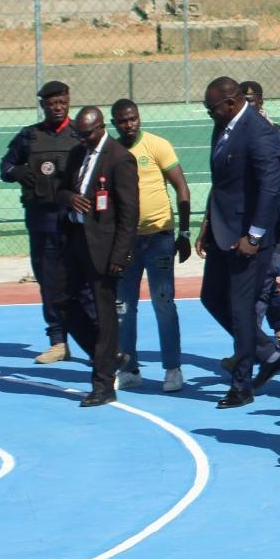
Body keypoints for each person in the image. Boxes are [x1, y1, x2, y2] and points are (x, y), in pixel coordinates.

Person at [197, 76, 280, 409]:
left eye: (212, 108)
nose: (209, 114)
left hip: (248, 240)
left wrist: (254, 235)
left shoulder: (259, 132)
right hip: (222, 232)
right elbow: (220, 184)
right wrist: (207, 225)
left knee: (241, 311)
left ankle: (242, 386)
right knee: (211, 297)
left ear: (232, 101)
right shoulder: (223, 125)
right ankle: (267, 353)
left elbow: (269, 188)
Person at [57, 106, 139, 407]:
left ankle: (103, 384)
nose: (83, 139)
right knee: (62, 302)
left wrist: (121, 253)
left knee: (106, 317)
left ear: (101, 128)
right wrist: (69, 198)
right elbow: (61, 190)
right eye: (79, 134)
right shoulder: (79, 153)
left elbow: (130, 213)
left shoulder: (119, 158)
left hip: (105, 249)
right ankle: (108, 355)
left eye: (87, 134)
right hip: (76, 240)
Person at [109, 99, 192, 392]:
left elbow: (181, 186)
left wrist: (184, 232)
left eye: (132, 119)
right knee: (124, 307)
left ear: (139, 118)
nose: (128, 125)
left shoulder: (157, 146)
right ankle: (129, 369)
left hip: (159, 238)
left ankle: (173, 369)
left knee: (163, 303)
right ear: (114, 123)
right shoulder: (113, 152)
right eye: (122, 121)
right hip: (126, 243)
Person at [0, 80, 78, 364]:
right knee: (49, 282)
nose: (58, 107)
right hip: (42, 221)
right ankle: (58, 341)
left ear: (69, 101)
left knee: (83, 284)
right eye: (52, 103)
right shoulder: (29, 137)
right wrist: (18, 172)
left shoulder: (81, 134)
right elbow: (5, 167)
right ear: (43, 105)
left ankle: (99, 344)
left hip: (76, 222)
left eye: (62, 102)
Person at [240, 81, 280, 368]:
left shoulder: (279, 137)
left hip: (273, 218)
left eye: (251, 101)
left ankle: (249, 348)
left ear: (261, 102)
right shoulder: (234, 137)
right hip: (243, 218)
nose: (247, 107)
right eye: (242, 102)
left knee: (261, 284)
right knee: (260, 282)